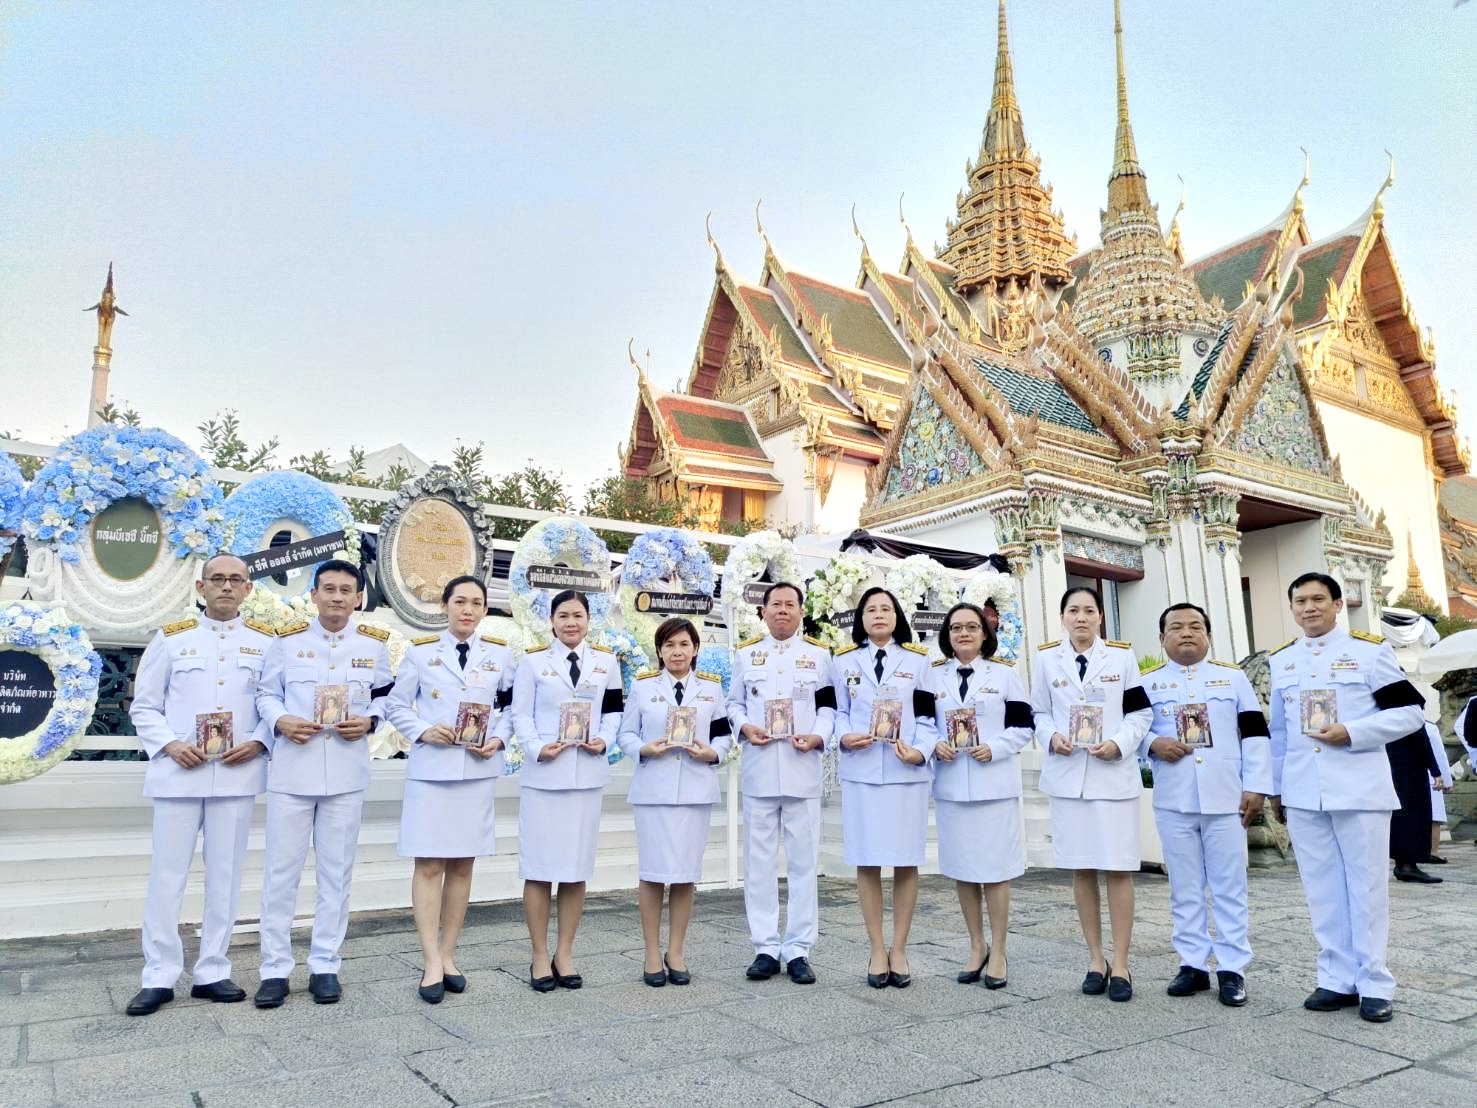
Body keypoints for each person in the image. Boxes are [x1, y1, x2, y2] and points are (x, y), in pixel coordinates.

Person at [1268, 572, 1425, 1024]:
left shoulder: (1369, 651)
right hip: (1303, 790)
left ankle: (1374, 983)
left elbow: (1410, 713)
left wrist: (1353, 732)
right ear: (1292, 608)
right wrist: (1278, 787)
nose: (1309, 608)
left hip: (1359, 787)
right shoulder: (1283, 661)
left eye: (1318, 599)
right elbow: (1279, 733)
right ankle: (1336, 978)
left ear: (1339, 604)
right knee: (1322, 889)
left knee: (1367, 887)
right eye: (1300, 601)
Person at [125, 554, 275, 1016]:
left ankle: (213, 969)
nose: (226, 587)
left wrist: (259, 742)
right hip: (179, 773)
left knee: (225, 876)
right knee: (167, 876)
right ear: (201, 586)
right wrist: (169, 745)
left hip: (235, 772)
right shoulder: (172, 640)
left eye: (236, 580)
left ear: (248, 589)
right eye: (218, 579)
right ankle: (159, 974)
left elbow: (276, 703)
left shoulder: (266, 644)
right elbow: (144, 706)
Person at [253, 559, 392, 1008]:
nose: (336, 596)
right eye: (327, 588)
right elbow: (265, 694)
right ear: (313, 594)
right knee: (281, 875)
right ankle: (274, 970)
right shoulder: (288, 643)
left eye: (345, 590)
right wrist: (281, 721)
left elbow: (388, 700)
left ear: (358, 598)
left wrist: (370, 721)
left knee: (336, 875)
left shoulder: (373, 647)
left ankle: (325, 964)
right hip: (294, 771)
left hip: (347, 774)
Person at [386, 576, 514, 1004]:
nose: (468, 610)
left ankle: (449, 954)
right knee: (429, 866)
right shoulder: (421, 652)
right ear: (445, 605)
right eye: (460, 601)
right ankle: (429, 961)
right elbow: (396, 705)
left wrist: (499, 739)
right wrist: (423, 731)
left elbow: (512, 708)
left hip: (476, 772)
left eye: (477, 603)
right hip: (432, 771)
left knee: (462, 866)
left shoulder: (499, 654)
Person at [1143, 603, 1272, 1007]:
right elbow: (1132, 733)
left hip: (1226, 798)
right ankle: (1193, 964)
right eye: (1175, 627)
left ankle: (1232, 967)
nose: (1185, 633)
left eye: (1195, 626)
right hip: (1174, 798)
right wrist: (1153, 744)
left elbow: (1254, 734)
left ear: (1209, 635)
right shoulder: (1146, 685)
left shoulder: (1232, 680)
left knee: (1229, 885)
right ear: (1161, 638)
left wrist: (1256, 786)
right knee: (1184, 887)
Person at [1030, 586, 1152, 1003]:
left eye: (1088, 611)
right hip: (1068, 777)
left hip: (1111, 777)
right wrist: (1051, 737)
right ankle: (1095, 959)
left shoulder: (1121, 657)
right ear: (1063, 617)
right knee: (1081, 869)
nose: (1081, 618)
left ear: (1100, 617)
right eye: (1073, 611)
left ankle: (1121, 963)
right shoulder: (1047, 659)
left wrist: (1119, 742)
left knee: (1117, 869)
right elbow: (1039, 712)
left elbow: (1140, 712)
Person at [512, 590, 624, 992]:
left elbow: (613, 711)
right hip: (546, 775)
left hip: (586, 777)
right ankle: (539, 955)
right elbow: (519, 713)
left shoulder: (606, 662)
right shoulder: (533, 662)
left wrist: (605, 740)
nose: (571, 622)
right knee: (540, 870)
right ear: (552, 620)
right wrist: (537, 746)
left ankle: (565, 952)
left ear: (589, 620)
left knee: (576, 871)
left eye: (578, 615)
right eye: (563, 615)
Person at [727, 582, 837, 985]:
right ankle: (765, 946)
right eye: (775, 604)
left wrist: (818, 736)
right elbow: (734, 704)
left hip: (801, 766)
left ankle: (798, 948)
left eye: (790, 604)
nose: (783, 611)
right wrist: (744, 725)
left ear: (800, 611)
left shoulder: (819, 656)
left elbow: (829, 708)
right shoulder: (745, 655)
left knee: (804, 862)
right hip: (759, 769)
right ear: (764, 611)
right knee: (758, 863)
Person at [617, 617, 732, 986]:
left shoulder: (712, 690)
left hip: (695, 792)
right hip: (654, 791)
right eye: (669, 646)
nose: (676, 652)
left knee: (685, 876)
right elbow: (625, 734)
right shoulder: (643, 686)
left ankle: (676, 950)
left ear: (695, 649)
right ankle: (652, 951)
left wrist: (712, 753)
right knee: (652, 875)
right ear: (660, 651)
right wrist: (643, 749)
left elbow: (724, 736)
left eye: (683, 644)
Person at [833, 587, 937, 989]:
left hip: (904, 772)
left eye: (887, 609)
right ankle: (877, 948)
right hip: (861, 772)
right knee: (868, 860)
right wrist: (845, 737)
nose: (879, 615)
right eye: (871, 609)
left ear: (897, 617)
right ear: (861, 618)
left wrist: (921, 751)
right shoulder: (842, 661)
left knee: (906, 860)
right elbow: (836, 711)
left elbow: (929, 719)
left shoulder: (918, 662)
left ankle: (900, 947)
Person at [926, 601, 1032, 989]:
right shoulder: (933, 677)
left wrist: (997, 746)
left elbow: (1023, 726)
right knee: (963, 871)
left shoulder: (1005, 675)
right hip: (954, 786)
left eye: (972, 627)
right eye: (956, 628)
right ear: (947, 636)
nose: (964, 633)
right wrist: (936, 744)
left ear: (986, 634)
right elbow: (923, 724)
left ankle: (1000, 950)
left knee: (996, 872)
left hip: (994, 786)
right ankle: (976, 945)